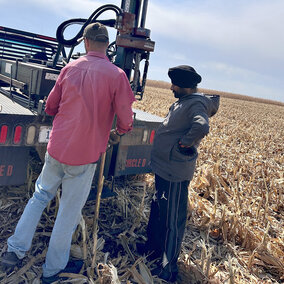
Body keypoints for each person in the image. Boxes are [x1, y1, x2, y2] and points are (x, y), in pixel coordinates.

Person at [0, 22, 135, 283]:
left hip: (57, 149)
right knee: (68, 213)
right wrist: (119, 131)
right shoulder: (117, 75)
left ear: (85, 42)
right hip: (85, 156)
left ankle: (14, 252)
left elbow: (51, 106)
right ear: (107, 45)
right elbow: (126, 118)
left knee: (39, 197)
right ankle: (51, 271)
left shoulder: (69, 68)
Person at [137, 65, 220, 282]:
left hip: (174, 172)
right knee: (158, 212)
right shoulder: (184, 102)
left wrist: (183, 145)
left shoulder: (197, 104)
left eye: (175, 83)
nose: (171, 87)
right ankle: (152, 250)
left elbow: (201, 126)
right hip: (165, 169)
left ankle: (168, 268)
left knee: (173, 220)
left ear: (184, 85)